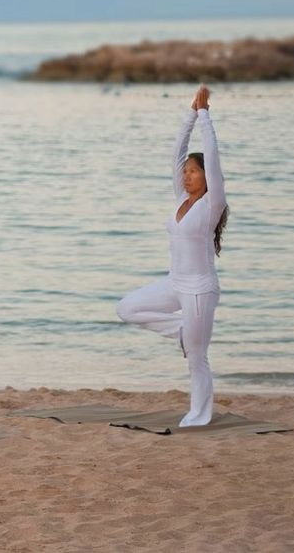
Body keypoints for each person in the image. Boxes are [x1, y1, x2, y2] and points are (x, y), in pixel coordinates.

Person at [116, 85, 229, 427]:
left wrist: (206, 116)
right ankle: (179, 331)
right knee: (127, 308)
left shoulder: (212, 204)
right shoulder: (181, 197)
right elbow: (176, 154)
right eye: (187, 172)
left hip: (199, 290)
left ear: (207, 177)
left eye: (194, 171)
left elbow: (212, 155)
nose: (187, 175)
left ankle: (199, 414)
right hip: (175, 283)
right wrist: (190, 115)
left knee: (197, 358)